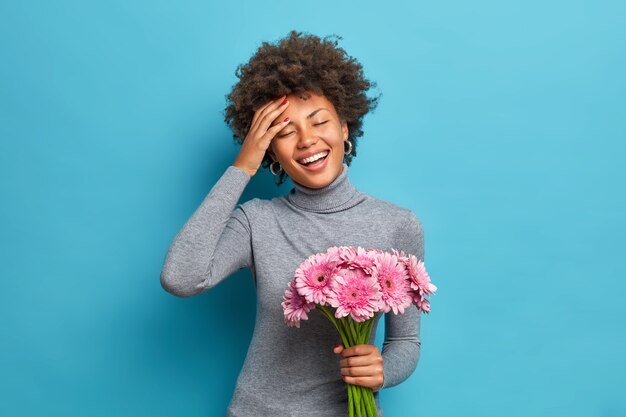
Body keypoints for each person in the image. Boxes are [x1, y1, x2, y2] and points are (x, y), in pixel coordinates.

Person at [160, 30, 425, 417]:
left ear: (345, 127)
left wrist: (381, 370)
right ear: (269, 149)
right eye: (284, 132)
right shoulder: (257, 221)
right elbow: (181, 277)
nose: (306, 140)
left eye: (319, 122)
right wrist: (242, 167)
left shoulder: (398, 226)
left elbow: (407, 343)